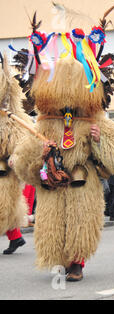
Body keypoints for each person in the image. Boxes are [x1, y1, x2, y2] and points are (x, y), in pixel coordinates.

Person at [12, 12, 114, 282]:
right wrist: (39, 150)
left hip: (83, 179)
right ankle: (57, 259)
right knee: (51, 221)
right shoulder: (45, 122)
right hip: (52, 180)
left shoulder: (94, 120)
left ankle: (77, 262)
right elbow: (26, 163)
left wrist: (101, 140)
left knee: (81, 221)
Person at [0, 54, 29, 255]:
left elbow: (20, 142)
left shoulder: (13, 119)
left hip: (4, 171)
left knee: (4, 205)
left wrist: (14, 157)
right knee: (7, 206)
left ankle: (16, 236)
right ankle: (16, 237)